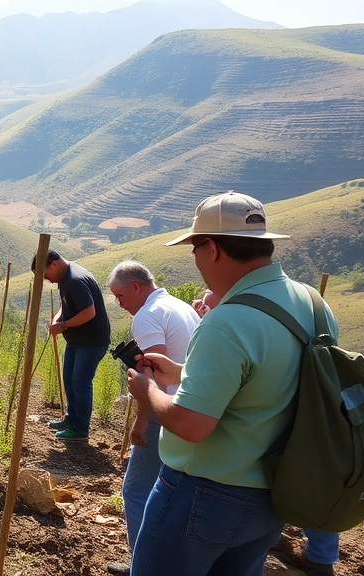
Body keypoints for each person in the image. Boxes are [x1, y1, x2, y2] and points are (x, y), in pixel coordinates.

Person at [126, 191, 339, 576]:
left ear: (213, 249)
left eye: (194, 249)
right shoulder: (313, 304)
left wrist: (149, 391)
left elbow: (192, 425)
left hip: (202, 495)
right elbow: (266, 379)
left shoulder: (226, 321)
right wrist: (178, 372)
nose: (195, 260)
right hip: (274, 497)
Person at [191, 290, 341, 576]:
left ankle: (316, 557)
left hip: (283, 420)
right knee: (316, 482)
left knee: (295, 481)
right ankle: (319, 556)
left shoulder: (239, 320)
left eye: (211, 303)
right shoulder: (312, 307)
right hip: (315, 413)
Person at [106, 261, 200, 573]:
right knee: (173, 492)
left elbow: (153, 375)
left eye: (120, 296)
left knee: (135, 491)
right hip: (190, 407)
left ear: (136, 286)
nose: (120, 304)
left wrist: (141, 420)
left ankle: (142, 565)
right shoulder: (181, 307)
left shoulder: (147, 316)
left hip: (165, 411)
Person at [31, 249, 110, 440]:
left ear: (53, 264)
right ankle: (72, 418)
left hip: (91, 342)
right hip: (77, 340)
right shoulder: (66, 276)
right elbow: (65, 305)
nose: (47, 280)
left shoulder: (75, 280)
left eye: (45, 275)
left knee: (80, 383)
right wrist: (58, 320)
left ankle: (81, 429)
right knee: (69, 379)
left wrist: (64, 325)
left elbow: (89, 312)